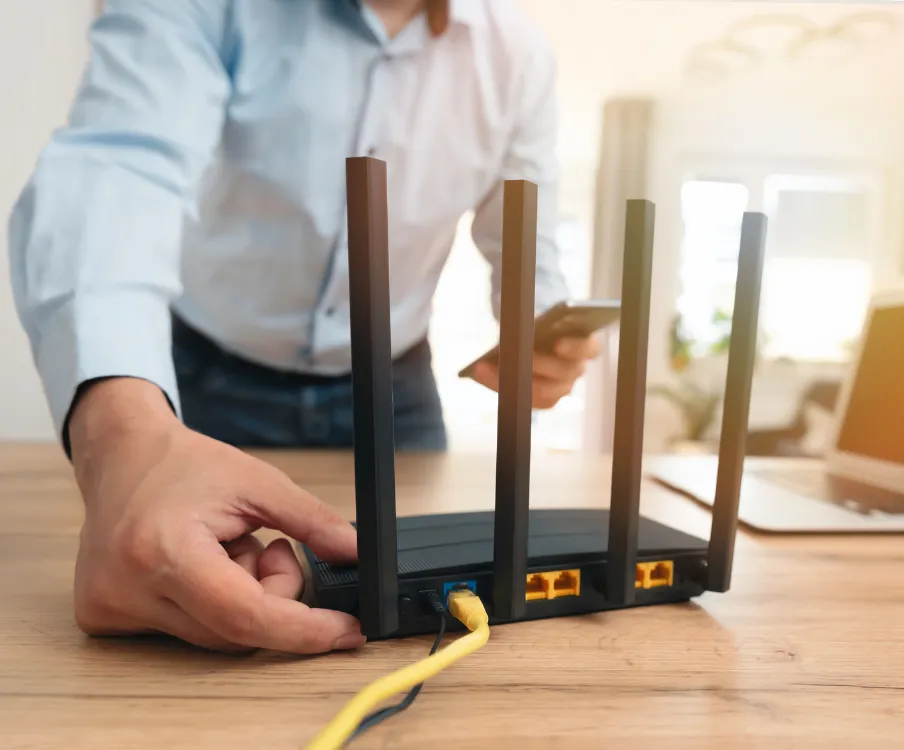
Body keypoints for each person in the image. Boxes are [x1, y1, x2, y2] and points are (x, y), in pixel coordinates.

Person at [8, 0, 600, 654]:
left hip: (397, 396)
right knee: (196, 600)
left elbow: (524, 235)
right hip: (205, 384)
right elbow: (119, 170)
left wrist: (541, 328)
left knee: (413, 593)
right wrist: (124, 440)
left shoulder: (515, 54)